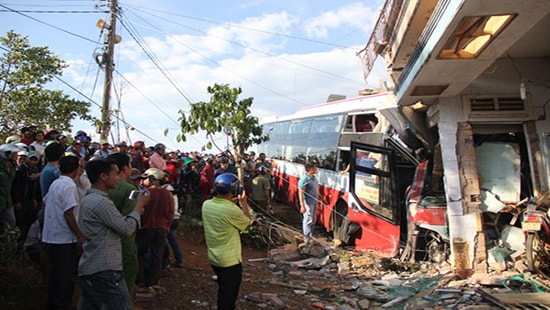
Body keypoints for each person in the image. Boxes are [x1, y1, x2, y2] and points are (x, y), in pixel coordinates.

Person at [77, 158, 149, 310]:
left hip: (90, 265)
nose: (118, 178)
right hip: (105, 268)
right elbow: (127, 229)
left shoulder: (89, 199)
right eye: (115, 174)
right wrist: (138, 206)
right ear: (103, 176)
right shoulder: (101, 202)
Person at [202, 173, 252, 310]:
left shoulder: (206, 205)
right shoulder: (232, 209)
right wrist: (243, 203)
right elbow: (248, 223)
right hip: (230, 261)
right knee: (228, 296)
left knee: (223, 289)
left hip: (214, 257)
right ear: (234, 190)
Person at [41, 155, 84, 310]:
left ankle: (53, 303)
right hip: (64, 239)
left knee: (55, 275)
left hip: (51, 236)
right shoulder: (69, 186)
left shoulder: (56, 183)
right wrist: (79, 235)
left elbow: (46, 201)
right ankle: (62, 305)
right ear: (76, 169)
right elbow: (68, 213)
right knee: (65, 277)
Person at [107, 152, 140, 302]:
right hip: (124, 239)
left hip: (104, 239)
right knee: (128, 270)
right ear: (125, 168)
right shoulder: (131, 190)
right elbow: (132, 214)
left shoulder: (102, 185)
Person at [135, 168, 174, 294]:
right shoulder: (168, 194)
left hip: (146, 228)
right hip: (161, 228)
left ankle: (140, 279)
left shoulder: (145, 193)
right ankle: (153, 281)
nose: (144, 180)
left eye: (146, 178)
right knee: (157, 256)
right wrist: (168, 226)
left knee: (139, 253)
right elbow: (171, 212)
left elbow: (139, 211)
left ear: (152, 179)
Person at [0, 143, 21, 230]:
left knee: (11, 224)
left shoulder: (12, 167)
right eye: (14, 153)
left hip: (8, 202)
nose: (17, 155)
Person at [298, 162, 319, 244]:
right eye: (315, 168)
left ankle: (310, 236)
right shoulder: (304, 180)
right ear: (311, 169)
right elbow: (301, 193)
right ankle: (306, 239)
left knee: (313, 220)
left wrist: (321, 198)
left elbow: (316, 189)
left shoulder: (314, 178)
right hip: (308, 203)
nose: (316, 169)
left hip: (314, 202)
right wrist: (302, 206)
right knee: (308, 220)